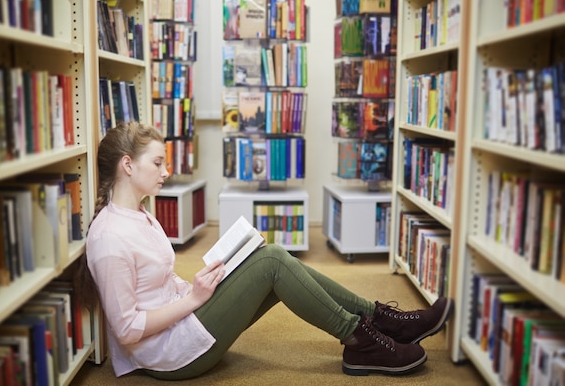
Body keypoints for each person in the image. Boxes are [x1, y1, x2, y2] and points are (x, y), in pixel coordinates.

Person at [76, 121, 454, 381]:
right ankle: (360, 339)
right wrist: (193, 299)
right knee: (272, 262)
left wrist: (196, 284)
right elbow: (127, 330)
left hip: (181, 322)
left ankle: (378, 321)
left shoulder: (140, 215)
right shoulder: (109, 237)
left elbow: (156, 281)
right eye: (157, 162)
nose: (165, 171)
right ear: (128, 165)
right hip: (170, 356)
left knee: (269, 256)